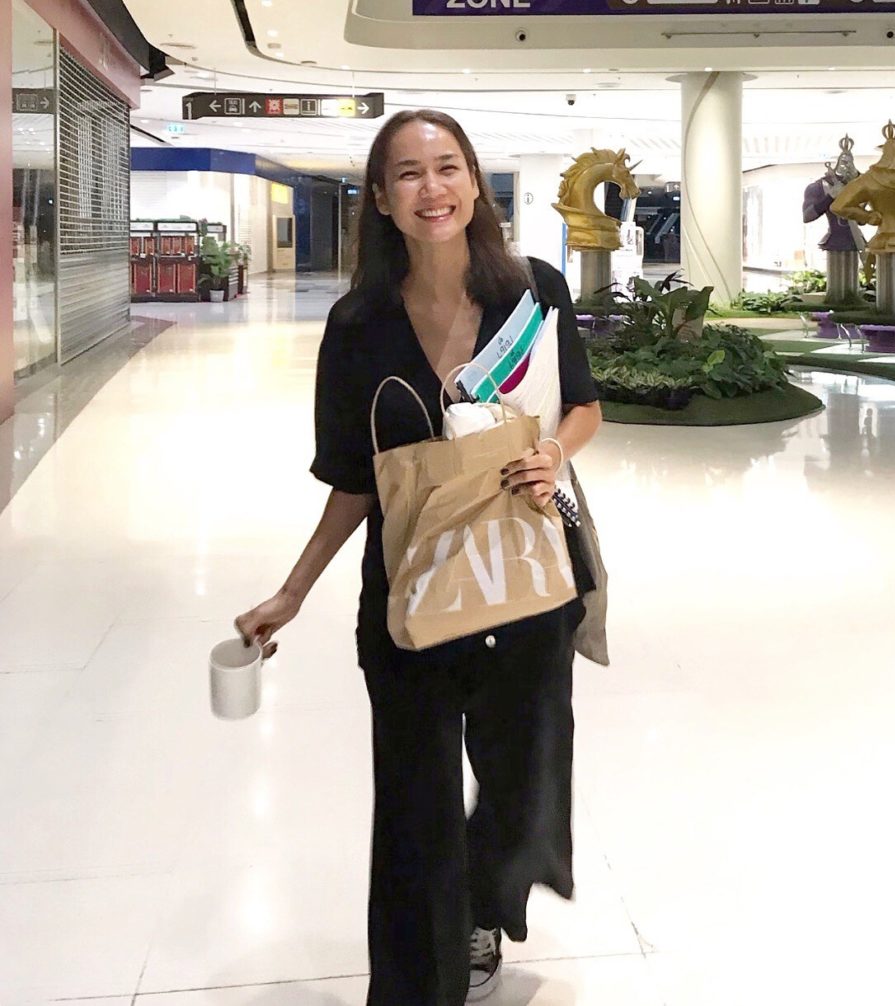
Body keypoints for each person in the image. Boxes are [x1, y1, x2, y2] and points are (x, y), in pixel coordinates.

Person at [236, 109, 603, 1006]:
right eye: (407, 173)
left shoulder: (535, 292)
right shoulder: (358, 324)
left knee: (524, 787)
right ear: (381, 199)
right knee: (414, 809)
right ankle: (418, 984)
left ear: (474, 182)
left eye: (447, 167)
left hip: (526, 583)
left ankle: (482, 902)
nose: (431, 188)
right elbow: (353, 480)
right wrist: (292, 592)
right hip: (409, 594)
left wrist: (555, 452)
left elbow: (584, 406)